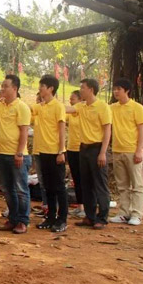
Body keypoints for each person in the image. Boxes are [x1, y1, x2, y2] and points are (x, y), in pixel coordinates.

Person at [68, 78, 112, 229]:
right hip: (83, 148)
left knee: (100, 184)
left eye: (82, 88)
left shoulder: (102, 107)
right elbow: (67, 109)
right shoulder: (81, 106)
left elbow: (107, 130)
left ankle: (102, 218)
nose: (80, 90)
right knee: (86, 184)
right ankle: (90, 216)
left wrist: (103, 152)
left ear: (91, 90)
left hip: (97, 148)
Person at [0, 74, 32, 234]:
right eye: (2, 86)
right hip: (1, 153)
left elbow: (24, 132)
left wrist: (20, 153)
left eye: (5, 86)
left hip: (17, 154)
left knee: (21, 189)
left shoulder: (21, 107)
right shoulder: (0, 106)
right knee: (8, 190)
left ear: (14, 88)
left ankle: (23, 221)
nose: (2, 88)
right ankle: (13, 219)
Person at [109, 78, 143, 225]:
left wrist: (139, 150)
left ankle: (136, 214)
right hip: (117, 150)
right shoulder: (112, 108)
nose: (116, 91)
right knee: (122, 185)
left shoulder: (137, 108)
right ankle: (124, 212)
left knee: (137, 184)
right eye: (114, 89)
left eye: (119, 89)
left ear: (127, 91)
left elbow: (141, 130)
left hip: (132, 150)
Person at [34, 75, 69, 233]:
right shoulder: (40, 107)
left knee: (59, 187)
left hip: (55, 152)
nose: (40, 89)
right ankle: (51, 217)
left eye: (43, 86)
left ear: (51, 89)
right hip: (42, 152)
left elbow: (62, 130)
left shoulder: (58, 106)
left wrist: (61, 151)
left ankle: (62, 219)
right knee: (48, 187)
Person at [66, 90, 84, 218]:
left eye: (72, 99)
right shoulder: (71, 114)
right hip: (71, 148)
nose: (70, 101)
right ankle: (80, 206)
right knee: (76, 179)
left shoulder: (81, 109)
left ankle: (87, 207)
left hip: (82, 148)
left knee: (84, 179)